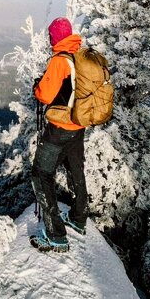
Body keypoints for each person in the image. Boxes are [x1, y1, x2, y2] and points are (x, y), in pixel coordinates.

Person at [30, 17, 88, 253]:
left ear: (55, 37)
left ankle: (56, 235)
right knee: (76, 169)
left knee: (41, 174)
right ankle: (78, 217)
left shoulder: (60, 61)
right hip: (78, 126)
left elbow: (44, 95)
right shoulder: (80, 56)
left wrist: (37, 86)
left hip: (59, 128)